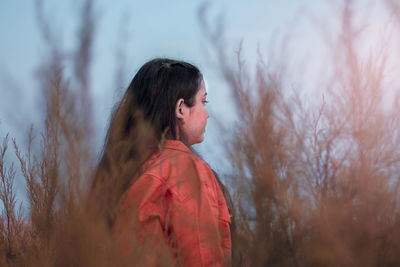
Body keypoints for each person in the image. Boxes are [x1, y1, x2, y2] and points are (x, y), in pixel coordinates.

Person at [92, 58, 233, 266]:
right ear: (181, 109)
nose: (207, 114)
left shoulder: (124, 171)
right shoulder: (184, 171)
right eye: (203, 101)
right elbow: (203, 259)